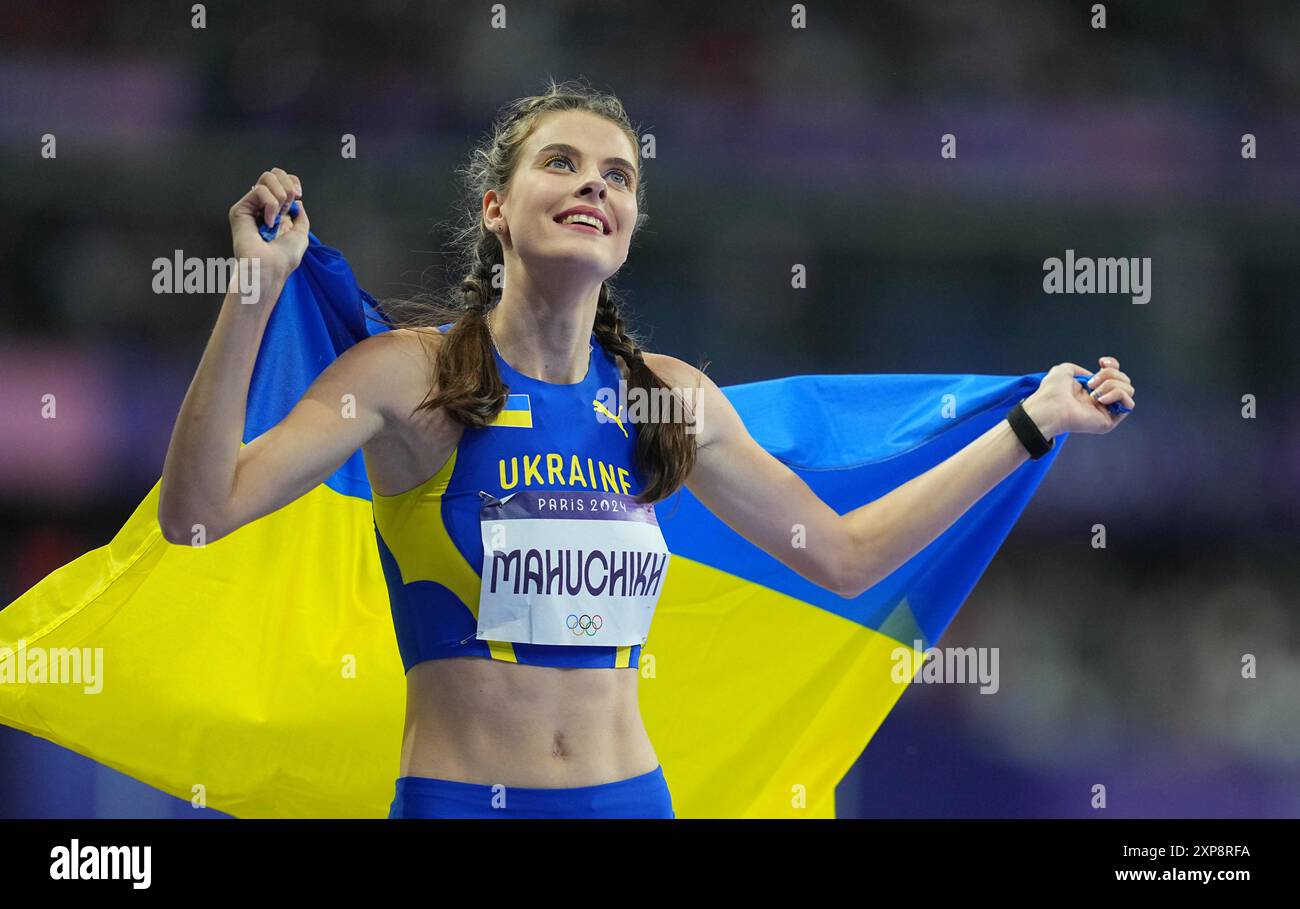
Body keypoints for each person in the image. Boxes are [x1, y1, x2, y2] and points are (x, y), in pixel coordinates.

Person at [155, 79, 1135, 819]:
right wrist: (254, 293)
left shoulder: (665, 400)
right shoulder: (405, 378)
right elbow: (197, 515)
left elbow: (846, 555)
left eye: (617, 175)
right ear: (495, 208)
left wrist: (1032, 424)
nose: (594, 183)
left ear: (627, 228)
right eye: (561, 163)